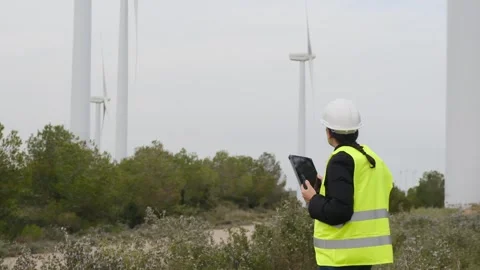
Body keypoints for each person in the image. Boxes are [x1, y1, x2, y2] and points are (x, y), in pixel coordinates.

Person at [301, 98, 394, 270]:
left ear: (329, 131)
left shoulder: (341, 159)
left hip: (340, 258)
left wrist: (313, 199)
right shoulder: (371, 158)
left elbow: (339, 211)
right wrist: (326, 186)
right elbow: (364, 193)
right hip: (363, 256)